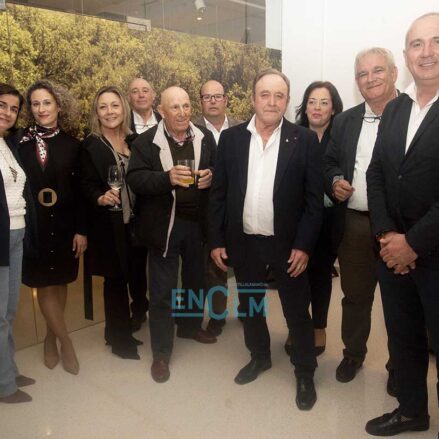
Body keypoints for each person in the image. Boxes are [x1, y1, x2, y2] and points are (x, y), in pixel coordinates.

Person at [209, 69, 323, 410]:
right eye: (265, 94)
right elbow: (218, 194)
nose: (272, 102)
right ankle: (259, 356)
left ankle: (304, 371)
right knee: (250, 306)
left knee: (297, 312)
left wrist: (303, 246)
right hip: (244, 242)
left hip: (287, 246)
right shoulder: (231, 140)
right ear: (253, 98)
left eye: (279, 95)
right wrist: (216, 240)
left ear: (287, 100)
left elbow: (313, 203)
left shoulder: (304, 140)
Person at [365, 13, 439, 436]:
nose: (427, 52)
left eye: (436, 41)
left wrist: (412, 242)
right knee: (404, 337)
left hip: (434, 252)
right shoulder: (396, 108)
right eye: (417, 43)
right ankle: (411, 411)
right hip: (393, 254)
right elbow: (377, 173)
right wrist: (387, 236)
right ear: (406, 55)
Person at [127, 86, 217, 383]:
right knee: (162, 291)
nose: (182, 112)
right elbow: (135, 178)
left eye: (186, 106)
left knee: (195, 281)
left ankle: (190, 328)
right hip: (164, 226)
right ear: (162, 111)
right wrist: (167, 179)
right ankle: (162, 353)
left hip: (196, 225)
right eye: (174, 107)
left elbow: (218, 170)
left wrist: (211, 176)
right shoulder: (146, 142)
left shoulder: (205, 137)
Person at [323, 48, 398, 384]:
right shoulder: (344, 121)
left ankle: (400, 367)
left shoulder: (416, 115)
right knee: (355, 297)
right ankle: (353, 354)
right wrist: (335, 180)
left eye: (377, 70)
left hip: (399, 229)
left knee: (400, 302)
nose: (370, 79)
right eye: (362, 74)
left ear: (394, 73)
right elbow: (328, 163)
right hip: (354, 223)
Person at [19, 80, 87, 375]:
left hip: (64, 224)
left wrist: (81, 230)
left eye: (47, 102)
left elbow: (82, 192)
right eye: (35, 103)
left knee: (59, 282)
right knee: (43, 284)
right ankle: (66, 342)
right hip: (33, 225)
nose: (41, 108)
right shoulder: (19, 142)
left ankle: (50, 336)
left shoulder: (73, 145)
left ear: (59, 105)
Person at [81, 85, 143, 360]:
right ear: (96, 112)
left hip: (134, 223)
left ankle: (115, 332)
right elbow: (84, 184)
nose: (109, 112)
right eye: (103, 107)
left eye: (114, 105)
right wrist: (99, 196)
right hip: (109, 224)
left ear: (124, 108)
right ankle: (121, 341)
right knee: (115, 280)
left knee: (132, 277)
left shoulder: (134, 140)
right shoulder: (91, 145)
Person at [283, 81, 343, 356]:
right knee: (295, 275)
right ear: (304, 107)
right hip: (296, 220)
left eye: (324, 102)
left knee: (320, 275)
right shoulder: (291, 136)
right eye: (312, 101)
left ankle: (319, 326)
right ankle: (296, 326)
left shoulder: (341, 139)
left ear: (333, 109)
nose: (317, 108)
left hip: (329, 221)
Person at [193, 79, 241, 336]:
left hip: (242, 206)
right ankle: (217, 316)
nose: (212, 101)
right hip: (208, 207)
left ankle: (248, 309)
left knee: (247, 262)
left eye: (217, 96)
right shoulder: (192, 130)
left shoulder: (243, 128)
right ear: (200, 101)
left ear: (225, 99)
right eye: (207, 97)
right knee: (215, 265)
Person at [0, 84, 36, 403]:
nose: (7, 113)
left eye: (13, 109)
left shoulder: (8, 143)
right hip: (1, 236)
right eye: (2, 105)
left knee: (9, 312)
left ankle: (8, 369)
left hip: (17, 233)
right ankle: (4, 385)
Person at [125, 77, 161, 333]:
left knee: (163, 265)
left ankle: (166, 311)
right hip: (135, 204)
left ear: (154, 95)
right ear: (129, 97)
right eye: (135, 91)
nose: (140, 95)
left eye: (145, 90)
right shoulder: (122, 125)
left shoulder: (166, 121)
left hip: (163, 203)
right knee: (136, 263)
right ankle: (138, 308)